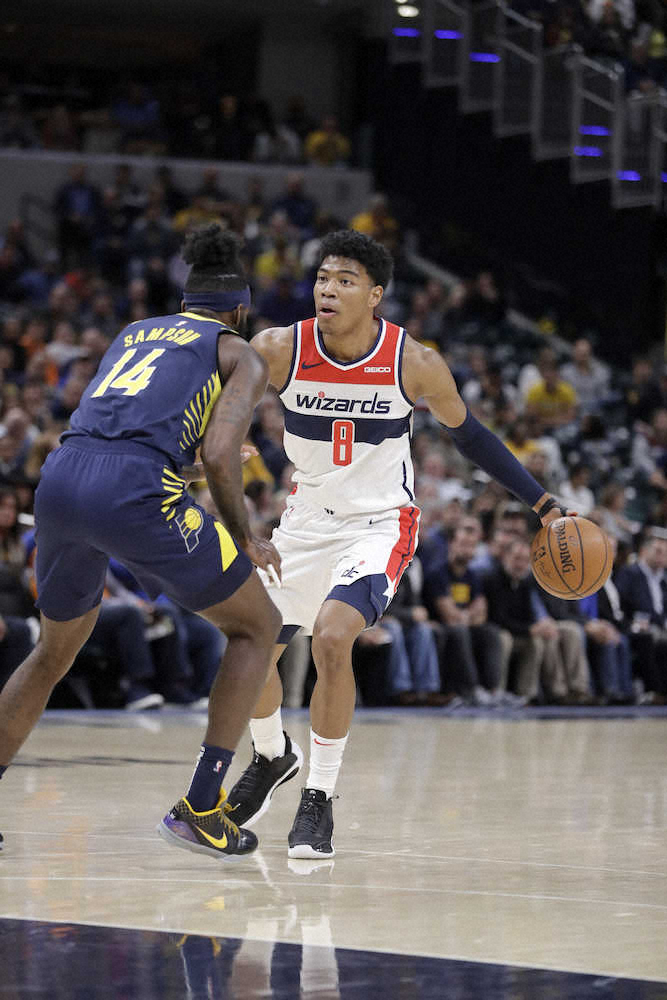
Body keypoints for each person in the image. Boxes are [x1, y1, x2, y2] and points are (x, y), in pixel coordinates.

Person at [224, 229, 572, 859]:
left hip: (378, 524)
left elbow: (472, 437)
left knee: (333, 637)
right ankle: (273, 755)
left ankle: (319, 796)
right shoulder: (279, 348)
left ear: (375, 295)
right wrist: (225, 437)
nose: (328, 290)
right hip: (303, 523)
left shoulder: (413, 362)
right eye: (323, 278)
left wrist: (542, 502)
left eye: (345, 281)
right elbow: (218, 403)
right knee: (250, 648)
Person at [0, 225, 283, 859]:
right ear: (239, 312)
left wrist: (188, 466)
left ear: (184, 304)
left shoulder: (134, 332)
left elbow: (125, 425)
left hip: (61, 478)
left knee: (52, 652)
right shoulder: (240, 353)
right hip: (133, 491)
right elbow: (220, 453)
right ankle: (202, 807)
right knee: (258, 625)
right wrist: (244, 535)